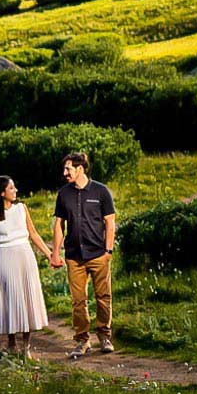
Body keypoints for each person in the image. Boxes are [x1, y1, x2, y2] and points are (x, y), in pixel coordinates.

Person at [51, 149, 118, 356]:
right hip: (74, 257)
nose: (65, 173)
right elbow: (59, 225)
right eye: (64, 169)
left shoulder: (101, 191)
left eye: (68, 168)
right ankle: (82, 340)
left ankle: (105, 337)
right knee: (78, 301)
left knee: (103, 297)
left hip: (98, 254)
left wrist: (108, 250)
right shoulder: (63, 194)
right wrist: (55, 253)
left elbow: (110, 222)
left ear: (80, 169)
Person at [0, 175, 49, 358]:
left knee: (27, 297)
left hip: (24, 255)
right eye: (11, 188)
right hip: (5, 257)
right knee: (11, 298)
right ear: (2, 192)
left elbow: (34, 234)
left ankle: (26, 346)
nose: (15, 191)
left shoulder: (21, 208)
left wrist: (49, 254)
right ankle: (11, 343)